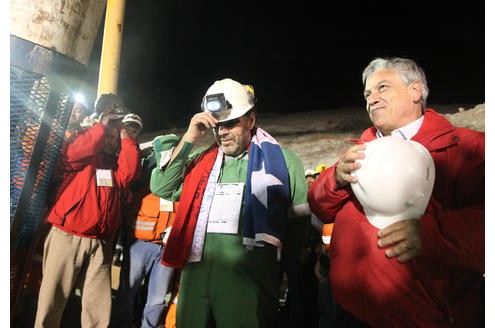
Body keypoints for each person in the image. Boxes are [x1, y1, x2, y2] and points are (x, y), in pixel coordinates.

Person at [308, 57, 484, 327]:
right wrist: (334, 178)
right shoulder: (361, 149)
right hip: (346, 310)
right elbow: (319, 206)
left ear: (415, 91)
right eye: (367, 93)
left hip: (419, 317)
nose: (372, 99)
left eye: (383, 88)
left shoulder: (465, 149)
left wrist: (433, 234)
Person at [150, 78, 311, 327]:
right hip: (196, 287)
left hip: (249, 288)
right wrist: (191, 136)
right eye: (217, 125)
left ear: (251, 120)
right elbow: (162, 187)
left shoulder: (284, 163)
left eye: (231, 123)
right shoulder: (200, 162)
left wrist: (277, 273)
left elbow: (298, 225)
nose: (222, 132)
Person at [34, 103, 141, 327]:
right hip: (67, 236)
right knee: (52, 301)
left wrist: (126, 139)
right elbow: (73, 151)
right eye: (108, 136)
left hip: (101, 243)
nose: (111, 142)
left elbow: (129, 174)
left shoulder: (115, 166)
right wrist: (101, 127)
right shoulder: (84, 151)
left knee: (98, 309)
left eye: (115, 138)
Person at [116, 134, 180, 328]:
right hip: (140, 244)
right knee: (128, 291)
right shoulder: (146, 171)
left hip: (168, 247)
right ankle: (121, 325)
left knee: (157, 299)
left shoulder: (182, 174)